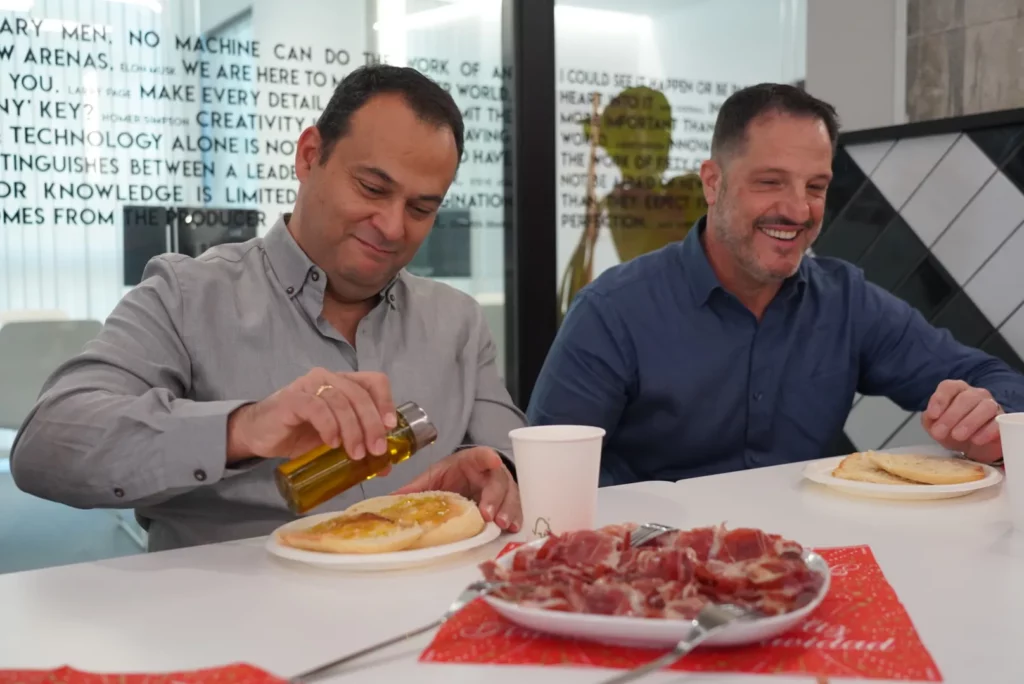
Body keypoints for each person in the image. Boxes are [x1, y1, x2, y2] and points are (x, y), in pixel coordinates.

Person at [10, 64, 525, 551]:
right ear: (308, 157)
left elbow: (513, 452)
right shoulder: (188, 296)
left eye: (420, 209)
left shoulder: (457, 320)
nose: (393, 227)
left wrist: (494, 472)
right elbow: (47, 446)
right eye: (371, 188)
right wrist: (243, 429)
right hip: (234, 625)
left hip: (422, 617)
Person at [528, 83, 1024, 486]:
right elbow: (545, 474)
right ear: (712, 183)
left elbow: (999, 382)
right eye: (770, 182)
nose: (797, 209)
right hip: (651, 569)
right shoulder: (613, 311)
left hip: (807, 566)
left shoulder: (846, 301)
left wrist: (986, 417)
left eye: (816, 187)